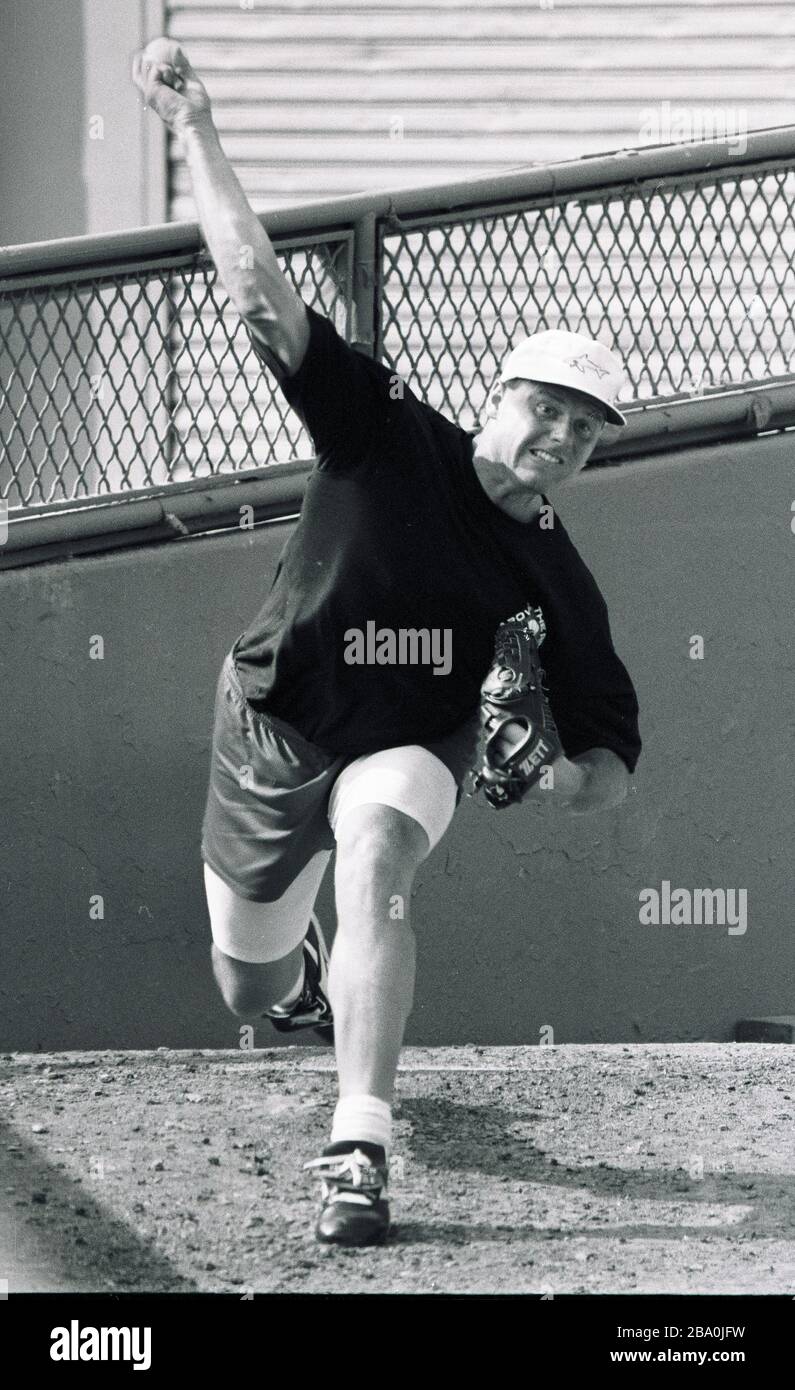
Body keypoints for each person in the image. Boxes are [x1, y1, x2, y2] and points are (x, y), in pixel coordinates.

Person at [133, 39, 642, 1248]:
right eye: (543, 408)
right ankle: (301, 985)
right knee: (245, 985)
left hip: (405, 750)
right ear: (499, 396)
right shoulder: (386, 433)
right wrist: (198, 129)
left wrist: (558, 774)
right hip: (273, 720)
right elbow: (259, 297)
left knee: (376, 857)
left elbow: (612, 765)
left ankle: (357, 1147)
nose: (558, 435)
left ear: (596, 451)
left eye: (585, 428)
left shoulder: (557, 577)